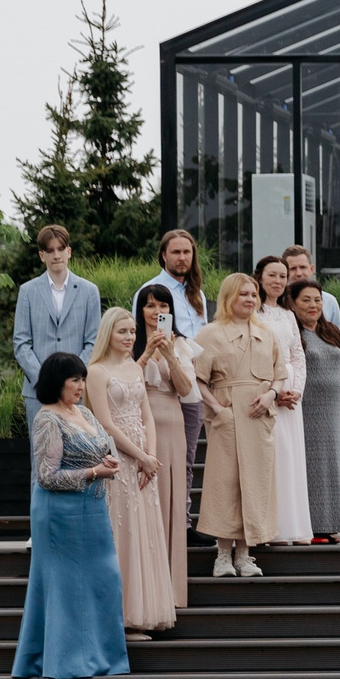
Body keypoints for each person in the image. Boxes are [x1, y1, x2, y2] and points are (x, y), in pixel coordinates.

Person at [13, 352, 131, 679]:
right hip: (59, 514)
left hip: (93, 509)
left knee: (104, 579)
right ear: (57, 382)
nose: (81, 386)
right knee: (65, 588)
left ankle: (102, 656)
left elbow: (101, 449)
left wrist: (108, 463)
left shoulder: (85, 413)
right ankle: (64, 662)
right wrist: (94, 472)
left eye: (83, 380)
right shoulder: (47, 419)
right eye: (74, 380)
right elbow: (47, 476)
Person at [85, 310, 175, 635]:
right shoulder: (96, 372)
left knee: (144, 532)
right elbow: (105, 423)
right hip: (118, 459)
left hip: (143, 461)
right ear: (108, 333)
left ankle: (140, 613)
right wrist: (140, 456)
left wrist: (151, 456)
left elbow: (147, 415)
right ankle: (116, 618)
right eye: (122, 331)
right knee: (122, 532)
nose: (129, 337)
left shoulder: (136, 368)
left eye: (132, 332)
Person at [194, 273, 286, 577]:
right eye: (243, 294)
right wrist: (218, 409)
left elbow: (280, 374)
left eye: (253, 294)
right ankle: (223, 554)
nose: (250, 299)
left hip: (258, 416)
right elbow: (198, 379)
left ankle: (245, 554)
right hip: (227, 415)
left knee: (256, 482)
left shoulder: (267, 334)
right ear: (229, 297)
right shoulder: (210, 334)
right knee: (225, 482)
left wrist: (271, 395)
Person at [136, 229, 212, 534]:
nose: (182, 258)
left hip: (189, 377)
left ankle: (183, 522)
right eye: (176, 252)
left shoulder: (197, 294)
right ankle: (153, 521)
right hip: (155, 384)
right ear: (163, 255)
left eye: (187, 252)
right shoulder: (150, 290)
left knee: (186, 458)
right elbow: (139, 333)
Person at [132, 285, 194, 613]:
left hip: (171, 424)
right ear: (140, 310)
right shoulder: (129, 342)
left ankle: (171, 590)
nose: (156, 311)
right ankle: (144, 589)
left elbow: (187, 390)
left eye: (162, 305)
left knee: (170, 499)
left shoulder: (181, 344)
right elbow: (125, 383)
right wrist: (146, 353)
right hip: (137, 424)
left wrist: (169, 353)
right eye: (149, 305)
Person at [252, 256, 314, 546]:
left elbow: (298, 355)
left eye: (282, 276)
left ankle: (294, 525)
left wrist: (296, 390)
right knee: (271, 457)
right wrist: (272, 392)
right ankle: (271, 528)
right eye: (272, 275)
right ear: (260, 278)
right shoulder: (253, 312)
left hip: (290, 393)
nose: (277, 281)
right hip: (264, 387)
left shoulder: (289, 315)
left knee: (290, 457)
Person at [288, 279, 340, 543]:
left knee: (332, 468)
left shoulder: (331, 331)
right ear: (293, 303)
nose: (313, 305)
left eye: (317, 300)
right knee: (310, 468)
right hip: (305, 409)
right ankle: (313, 528)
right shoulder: (292, 334)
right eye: (306, 300)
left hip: (332, 410)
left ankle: (332, 525)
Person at [12, 225, 103, 409]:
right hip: (38, 392)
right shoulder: (28, 291)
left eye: (61, 249)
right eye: (50, 250)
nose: (56, 255)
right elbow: (21, 342)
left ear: (69, 252)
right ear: (42, 255)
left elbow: (94, 341)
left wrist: (74, 378)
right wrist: (44, 379)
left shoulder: (89, 291)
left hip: (78, 393)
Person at [279, 246, 340, 329]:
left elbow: (336, 335)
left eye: (303, 267)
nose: (299, 273)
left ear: (312, 269)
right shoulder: (278, 301)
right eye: (293, 269)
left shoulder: (329, 302)